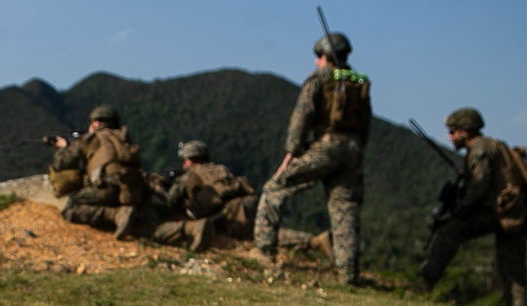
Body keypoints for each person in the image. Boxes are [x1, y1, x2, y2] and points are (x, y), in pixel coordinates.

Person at [251, 32, 372, 284]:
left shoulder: (320, 78)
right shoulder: (359, 81)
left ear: (327, 56)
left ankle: (264, 252)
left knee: (274, 188)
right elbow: (366, 123)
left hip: (326, 145)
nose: (316, 61)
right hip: (354, 149)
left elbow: (302, 115)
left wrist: (291, 152)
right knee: (344, 209)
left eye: (318, 56)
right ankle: (348, 274)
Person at [418, 108, 527, 306]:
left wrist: (459, 210)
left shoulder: (480, 150)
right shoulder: (495, 145)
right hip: (515, 211)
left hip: (496, 212)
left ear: (465, 132)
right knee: (513, 265)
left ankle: (424, 284)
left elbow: (479, 187)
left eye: (453, 132)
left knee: (449, 233)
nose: (450, 137)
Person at [151, 140, 334, 256]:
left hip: (232, 213)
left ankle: (315, 242)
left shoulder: (189, 176)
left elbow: (170, 202)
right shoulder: (220, 168)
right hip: (248, 203)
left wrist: (164, 184)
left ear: (188, 160)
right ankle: (315, 241)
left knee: (260, 236)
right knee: (264, 229)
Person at [50, 104, 143, 239]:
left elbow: (61, 163)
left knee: (72, 208)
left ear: (97, 122)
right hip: (134, 188)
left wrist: (62, 147)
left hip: (107, 186)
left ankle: (116, 214)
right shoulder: (124, 137)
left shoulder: (91, 138)